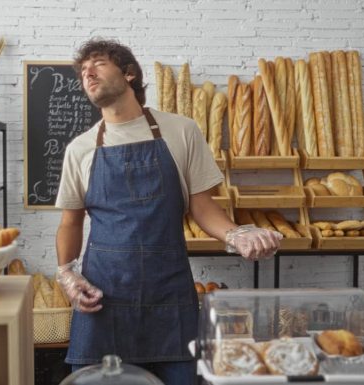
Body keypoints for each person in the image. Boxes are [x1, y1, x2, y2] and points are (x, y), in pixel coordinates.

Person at [55, 38, 282, 385]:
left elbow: (203, 207)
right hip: (103, 300)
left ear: (129, 73)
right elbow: (70, 222)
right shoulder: (81, 149)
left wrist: (237, 233)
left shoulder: (181, 131)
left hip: (169, 296)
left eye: (98, 64)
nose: (88, 74)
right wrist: (66, 273)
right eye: (83, 71)